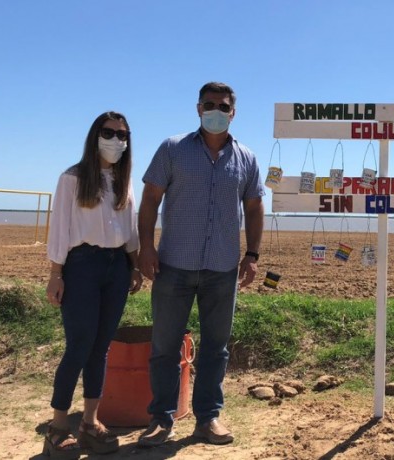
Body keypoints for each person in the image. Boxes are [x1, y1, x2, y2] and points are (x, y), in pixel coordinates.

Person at [137, 81, 265, 447]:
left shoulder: (246, 158)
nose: (216, 111)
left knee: (216, 348)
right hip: (173, 265)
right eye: (209, 104)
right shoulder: (173, 149)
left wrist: (252, 255)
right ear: (198, 108)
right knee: (164, 346)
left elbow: (254, 208)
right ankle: (161, 419)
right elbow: (149, 201)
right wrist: (146, 247)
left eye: (223, 106)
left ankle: (208, 418)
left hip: (222, 269)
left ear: (233, 113)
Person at [44, 111, 142, 458]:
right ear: (94, 135)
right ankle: (57, 426)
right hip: (81, 266)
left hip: (116, 267)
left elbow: (129, 228)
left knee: (101, 347)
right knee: (79, 345)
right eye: (109, 132)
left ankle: (90, 421)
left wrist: (134, 265)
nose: (116, 139)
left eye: (122, 134)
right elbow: (60, 229)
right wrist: (56, 274)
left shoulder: (123, 180)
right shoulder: (72, 178)